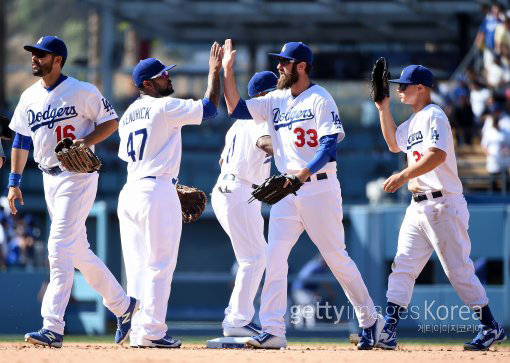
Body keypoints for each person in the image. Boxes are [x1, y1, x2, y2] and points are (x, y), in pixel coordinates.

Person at [222, 39, 383, 350]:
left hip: (319, 188)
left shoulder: (321, 99)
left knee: (336, 257)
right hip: (286, 191)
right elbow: (236, 109)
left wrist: (302, 175)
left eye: (285, 62)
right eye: (279, 61)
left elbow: (329, 147)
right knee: (274, 257)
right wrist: (227, 72)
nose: (279, 66)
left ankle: (369, 320)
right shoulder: (276, 99)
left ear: (302, 66)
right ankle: (273, 330)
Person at [8, 35, 139, 348]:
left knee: (58, 245)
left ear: (58, 60)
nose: (34, 58)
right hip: (47, 177)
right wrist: (13, 182)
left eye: (42, 54)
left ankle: (52, 326)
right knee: (78, 252)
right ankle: (124, 307)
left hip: (76, 175)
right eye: (33, 54)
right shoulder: (28, 97)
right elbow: (20, 141)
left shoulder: (82, 91)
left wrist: (86, 141)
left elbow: (111, 122)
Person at [374, 64, 506, 351]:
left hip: (443, 203)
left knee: (458, 271)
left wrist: (403, 175)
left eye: (404, 85)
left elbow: (437, 155)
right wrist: (382, 107)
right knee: (403, 266)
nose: (399, 89)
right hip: (418, 206)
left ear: (421, 87)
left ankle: (490, 326)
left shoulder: (435, 115)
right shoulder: (411, 123)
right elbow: (394, 144)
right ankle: (389, 330)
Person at [117, 43, 223, 348]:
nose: (168, 78)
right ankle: (152, 332)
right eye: (162, 76)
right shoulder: (162, 106)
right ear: (147, 84)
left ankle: (139, 328)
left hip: (131, 191)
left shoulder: (127, 116)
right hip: (155, 189)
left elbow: (132, 156)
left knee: (137, 267)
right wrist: (213, 73)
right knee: (160, 264)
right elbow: (210, 107)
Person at [211, 71, 276, 338]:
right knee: (255, 257)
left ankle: (237, 318)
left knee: (253, 256)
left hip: (227, 187)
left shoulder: (238, 123)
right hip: (240, 190)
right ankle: (237, 320)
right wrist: (292, 150)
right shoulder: (260, 116)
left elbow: (221, 161)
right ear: (263, 95)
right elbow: (264, 142)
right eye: (274, 92)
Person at [481, 104, 510, 191]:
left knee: (505, 181)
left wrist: (506, 152)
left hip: (503, 159)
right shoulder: (489, 132)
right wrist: (490, 155)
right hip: (493, 160)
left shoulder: (504, 132)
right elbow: (484, 145)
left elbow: (508, 144)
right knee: (493, 181)